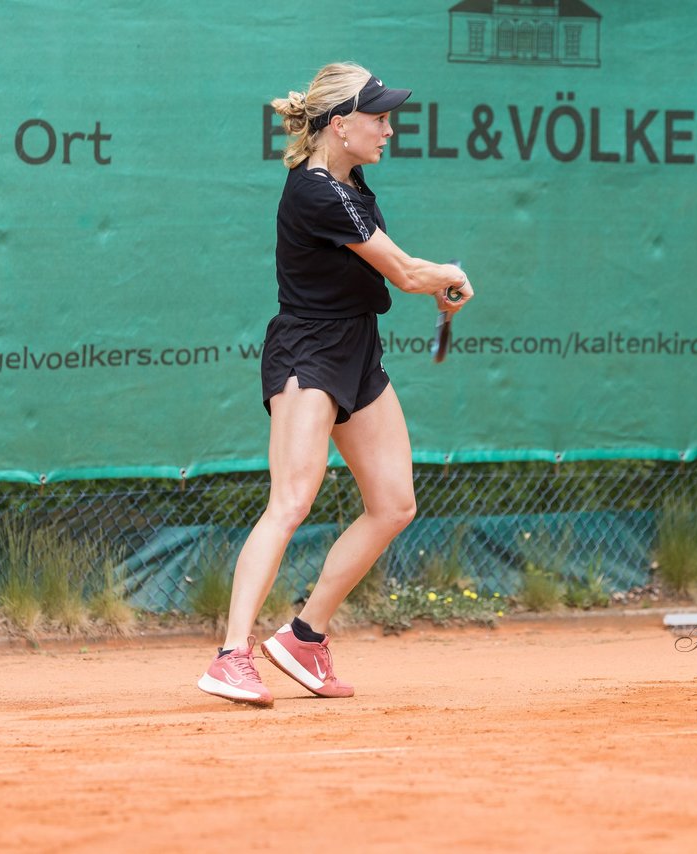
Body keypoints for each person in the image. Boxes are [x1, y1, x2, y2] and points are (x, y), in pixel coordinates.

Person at [197, 62, 473, 707]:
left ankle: (303, 637)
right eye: (378, 118)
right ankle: (231, 655)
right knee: (291, 501)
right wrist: (448, 275)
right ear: (339, 123)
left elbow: (398, 266)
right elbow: (404, 273)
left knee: (394, 503)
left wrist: (438, 277)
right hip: (309, 353)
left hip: (356, 353)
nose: (388, 129)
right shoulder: (317, 192)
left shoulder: (351, 183)